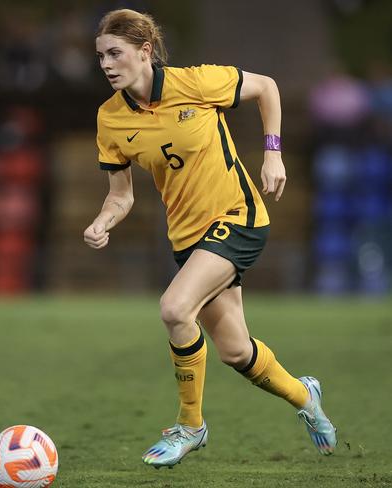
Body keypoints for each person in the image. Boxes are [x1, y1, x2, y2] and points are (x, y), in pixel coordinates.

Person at [85, 9, 337, 468]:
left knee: (174, 309)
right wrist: (103, 221)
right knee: (236, 351)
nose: (105, 63)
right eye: (100, 55)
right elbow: (119, 195)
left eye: (114, 53)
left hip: (237, 217)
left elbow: (266, 88)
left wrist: (273, 154)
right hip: (188, 239)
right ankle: (306, 397)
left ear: (145, 52)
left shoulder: (196, 83)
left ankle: (190, 427)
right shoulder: (110, 119)